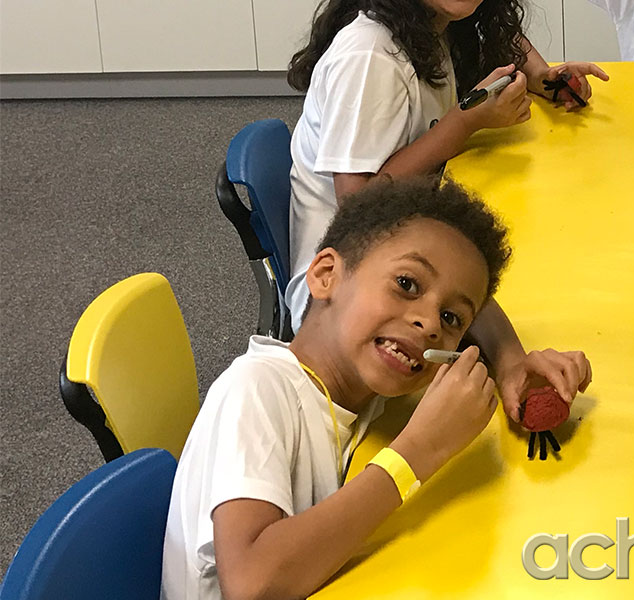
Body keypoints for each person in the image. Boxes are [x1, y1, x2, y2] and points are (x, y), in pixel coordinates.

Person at [163, 177, 592, 600]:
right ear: (326, 275)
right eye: (406, 285)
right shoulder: (256, 389)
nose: (429, 323)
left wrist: (511, 364)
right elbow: (251, 585)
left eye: (450, 319)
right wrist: (418, 452)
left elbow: (472, 303)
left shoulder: (361, 386)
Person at [284, 0, 600, 413]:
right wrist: (465, 123)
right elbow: (358, 202)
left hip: (410, 252)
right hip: (339, 295)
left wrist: (542, 75)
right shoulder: (371, 57)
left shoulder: (429, 26)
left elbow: (501, 35)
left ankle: (509, 361)